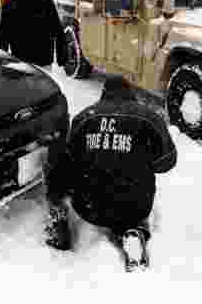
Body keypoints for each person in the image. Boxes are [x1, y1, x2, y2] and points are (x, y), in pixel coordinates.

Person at [46, 74, 178, 270]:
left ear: (104, 94)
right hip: (135, 207)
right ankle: (134, 232)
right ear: (130, 94)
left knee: (60, 160)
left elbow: (70, 161)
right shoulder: (150, 118)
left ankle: (59, 219)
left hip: (89, 206)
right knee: (134, 192)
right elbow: (167, 162)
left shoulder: (85, 117)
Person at [0, 0, 64, 69]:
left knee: (23, 84)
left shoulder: (10, 2)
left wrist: (1, 59)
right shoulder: (46, 0)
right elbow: (57, 29)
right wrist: (62, 57)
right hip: (43, 61)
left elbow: (3, 34)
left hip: (21, 60)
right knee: (43, 84)